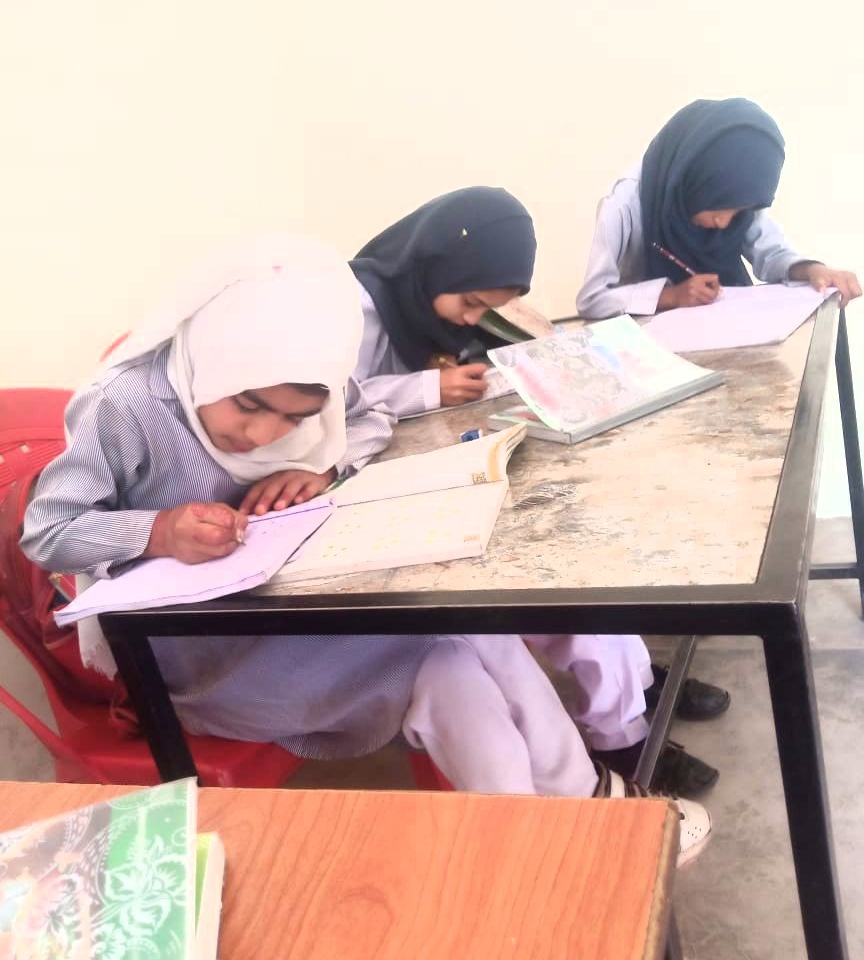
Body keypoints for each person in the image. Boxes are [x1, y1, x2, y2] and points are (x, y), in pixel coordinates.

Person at [20, 234, 710, 863]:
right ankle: (550, 850)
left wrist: (319, 467)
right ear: (214, 362)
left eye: (293, 420)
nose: (264, 436)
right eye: (250, 407)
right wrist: (158, 530)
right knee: (445, 671)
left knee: (470, 639)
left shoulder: (306, 380)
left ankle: (582, 821)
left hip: (287, 598)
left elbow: (367, 415)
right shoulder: (126, 405)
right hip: (191, 649)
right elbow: (48, 530)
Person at [345, 189, 725, 794]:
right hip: (379, 507)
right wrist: (424, 389)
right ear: (433, 265)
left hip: (447, 468)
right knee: (546, 580)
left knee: (578, 549)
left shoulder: (434, 302)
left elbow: (489, 347)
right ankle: (622, 731)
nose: (472, 317)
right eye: (470, 301)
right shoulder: (353, 309)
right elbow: (330, 409)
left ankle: (627, 692)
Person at [577, 97, 861, 321]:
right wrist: (671, 296)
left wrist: (813, 269)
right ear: (697, 179)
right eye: (720, 208)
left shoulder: (737, 196)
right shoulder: (624, 206)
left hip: (730, 333)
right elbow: (592, 299)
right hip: (653, 355)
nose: (725, 223)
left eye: (738, 213)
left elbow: (773, 254)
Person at [350, 187, 535, 419]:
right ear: (438, 269)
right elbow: (332, 400)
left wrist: (439, 360)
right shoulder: (356, 304)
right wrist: (429, 388)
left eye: (488, 309)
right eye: (469, 302)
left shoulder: (432, 309)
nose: (473, 319)